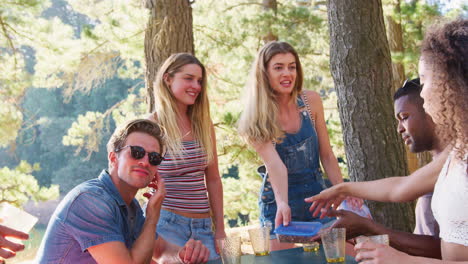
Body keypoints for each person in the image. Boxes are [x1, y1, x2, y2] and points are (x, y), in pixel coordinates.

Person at [308, 19, 468, 263]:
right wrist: (343, 188)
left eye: (425, 81)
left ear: (452, 83)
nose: (422, 94)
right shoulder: (459, 149)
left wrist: (402, 260)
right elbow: (401, 187)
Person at [237, 41, 361, 249]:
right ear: (264, 73)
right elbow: (276, 167)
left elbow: (327, 155)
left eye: (292, 66)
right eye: (278, 67)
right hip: (278, 201)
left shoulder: (311, 101)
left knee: (345, 255)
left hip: (318, 196)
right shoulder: (255, 118)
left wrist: (341, 189)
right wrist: (283, 203)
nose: (287, 73)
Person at [35, 119, 209, 263]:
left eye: (154, 158)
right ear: (113, 157)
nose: (145, 162)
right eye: (137, 152)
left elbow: (160, 250)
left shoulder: (129, 207)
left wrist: (187, 254)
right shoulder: (91, 201)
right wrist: (152, 217)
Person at [319, 78, 444, 258]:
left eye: (405, 117)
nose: (399, 129)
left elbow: (446, 250)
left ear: (433, 111)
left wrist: (370, 229)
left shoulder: (456, 168)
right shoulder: (435, 168)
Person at [148, 53, 225, 260]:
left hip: (204, 228)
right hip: (167, 226)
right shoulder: (152, 126)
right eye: (188, 78)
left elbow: (214, 179)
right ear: (168, 79)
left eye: (199, 81)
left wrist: (220, 229)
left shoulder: (203, 124)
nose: (196, 86)